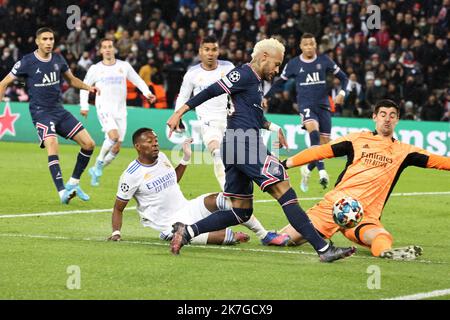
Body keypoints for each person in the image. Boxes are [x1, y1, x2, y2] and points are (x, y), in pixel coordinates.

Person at [167, 38, 356, 262]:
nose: (277, 70)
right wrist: (180, 112)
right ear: (264, 57)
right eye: (276, 64)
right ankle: (324, 249)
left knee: (241, 211)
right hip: (243, 143)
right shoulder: (244, 74)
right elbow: (212, 90)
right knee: (285, 191)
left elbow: (254, 115)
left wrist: (272, 127)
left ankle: (186, 232)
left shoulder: (255, 81)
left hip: (238, 143)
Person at [279, 99, 450, 260]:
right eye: (383, 114)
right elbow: (319, 152)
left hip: (364, 216)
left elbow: (441, 162)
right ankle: (267, 233)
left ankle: (386, 253)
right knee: (282, 239)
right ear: (374, 117)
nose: (387, 119)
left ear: (397, 119)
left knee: (380, 236)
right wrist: (284, 164)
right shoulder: (357, 139)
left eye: (392, 115)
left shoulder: (405, 151)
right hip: (333, 207)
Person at [175, 35, 288, 246]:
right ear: (200, 51)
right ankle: (262, 234)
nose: (210, 53)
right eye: (206, 49)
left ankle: (200, 225)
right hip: (211, 127)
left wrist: (273, 126)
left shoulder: (230, 68)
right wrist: (178, 114)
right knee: (219, 159)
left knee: (236, 199)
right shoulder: (193, 74)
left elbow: (248, 104)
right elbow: (185, 96)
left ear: (218, 51)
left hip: (232, 123)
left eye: (214, 49)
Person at [0, 27, 99, 204]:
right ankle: (62, 192)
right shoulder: (27, 62)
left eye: (51, 39)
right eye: (45, 39)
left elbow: (72, 80)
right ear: (37, 41)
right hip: (41, 112)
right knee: (52, 143)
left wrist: (88, 87)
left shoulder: (58, 59)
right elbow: (4, 83)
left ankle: (73, 183)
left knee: (89, 144)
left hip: (59, 110)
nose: (48, 42)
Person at [108, 127, 250, 246]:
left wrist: (185, 158)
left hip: (186, 208)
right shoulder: (131, 175)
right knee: (219, 236)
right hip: (169, 224)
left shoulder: (162, 157)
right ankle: (226, 235)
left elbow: (173, 179)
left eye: (156, 141)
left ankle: (262, 232)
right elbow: (118, 208)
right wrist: (116, 233)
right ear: (138, 146)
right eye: (149, 142)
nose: (155, 144)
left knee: (222, 199)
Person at [264, 33, 349, 192]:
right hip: (306, 105)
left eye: (311, 44)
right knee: (313, 132)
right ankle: (322, 171)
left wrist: (342, 94)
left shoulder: (324, 60)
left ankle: (308, 168)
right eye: (306, 44)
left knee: (325, 146)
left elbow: (344, 78)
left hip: (323, 105)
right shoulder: (294, 64)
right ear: (301, 46)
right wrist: (266, 97)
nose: (309, 47)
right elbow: (280, 82)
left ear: (315, 45)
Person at [80, 38, 156, 187]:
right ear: (101, 51)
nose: (108, 49)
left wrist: (147, 93)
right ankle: (99, 162)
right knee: (113, 136)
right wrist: (85, 106)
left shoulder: (124, 66)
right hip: (104, 107)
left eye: (110, 47)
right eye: (105, 47)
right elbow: (84, 86)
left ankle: (96, 170)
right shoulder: (95, 68)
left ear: (114, 49)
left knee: (116, 147)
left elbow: (138, 80)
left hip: (120, 110)